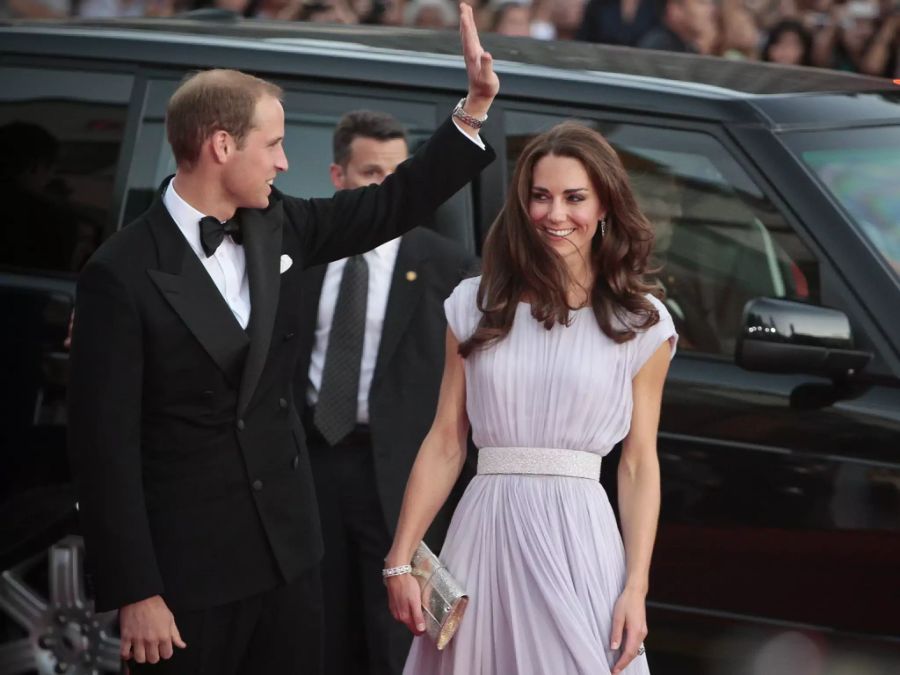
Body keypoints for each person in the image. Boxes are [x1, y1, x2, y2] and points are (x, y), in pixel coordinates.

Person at [66, 5, 498, 673]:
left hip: (290, 556)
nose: (285, 160)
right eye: (273, 144)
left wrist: (468, 115)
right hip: (187, 576)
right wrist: (136, 589)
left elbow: (387, 206)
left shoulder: (277, 225)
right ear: (220, 145)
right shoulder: (119, 273)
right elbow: (105, 451)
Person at [385, 122, 677, 675]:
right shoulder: (474, 303)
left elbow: (639, 463)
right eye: (540, 197)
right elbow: (447, 440)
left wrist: (636, 587)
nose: (556, 214)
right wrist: (402, 556)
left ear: (605, 205)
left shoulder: (641, 322)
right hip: (484, 535)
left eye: (574, 198)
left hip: (581, 540)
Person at [295, 110, 478, 675]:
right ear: (337, 176)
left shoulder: (449, 266)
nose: (387, 187)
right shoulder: (298, 254)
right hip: (310, 465)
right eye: (372, 173)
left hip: (398, 472)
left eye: (398, 174)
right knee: (316, 621)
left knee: (393, 629)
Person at [637, 0, 716, 54]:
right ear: (675, 9)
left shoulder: (686, 42)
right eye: (701, 2)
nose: (711, 9)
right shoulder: (660, 47)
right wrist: (701, 48)